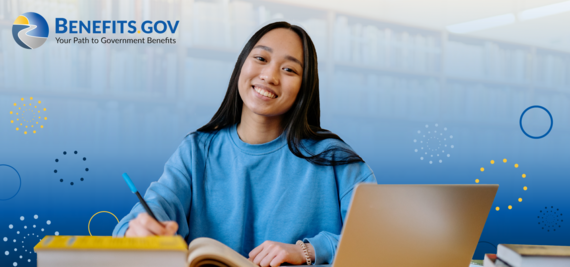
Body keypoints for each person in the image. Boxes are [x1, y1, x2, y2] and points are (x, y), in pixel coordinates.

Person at [112, 21, 377, 267]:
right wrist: (138, 228)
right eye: (260, 58)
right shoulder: (196, 151)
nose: (270, 76)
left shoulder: (337, 160)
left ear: (304, 87)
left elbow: (379, 243)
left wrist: (308, 250)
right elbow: (159, 203)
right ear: (241, 65)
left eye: (289, 69)